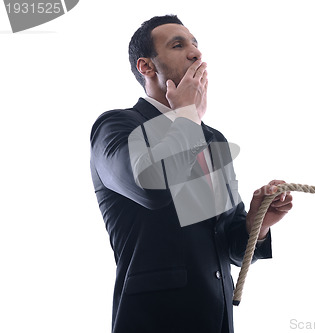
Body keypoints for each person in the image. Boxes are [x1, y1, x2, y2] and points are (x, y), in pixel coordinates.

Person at [90, 14, 293, 332]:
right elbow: (151, 187)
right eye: (178, 45)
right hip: (153, 322)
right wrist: (187, 116)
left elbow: (230, 248)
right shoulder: (116, 127)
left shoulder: (212, 139)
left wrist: (257, 222)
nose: (196, 53)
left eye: (196, 44)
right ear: (146, 67)